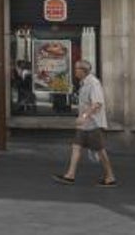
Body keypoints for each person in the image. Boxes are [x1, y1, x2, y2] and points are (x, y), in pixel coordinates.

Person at [52, 59, 117, 187]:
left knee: (100, 150)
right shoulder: (84, 83)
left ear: (83, 71)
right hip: (84, 125)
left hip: (93, 124)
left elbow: (97, 104)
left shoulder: (93, 83)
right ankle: (70, 175)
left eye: (76, 69)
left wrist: (84, 116)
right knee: (76, 147)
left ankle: (110, 177)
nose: (75, 71)